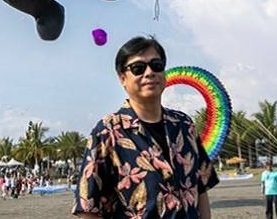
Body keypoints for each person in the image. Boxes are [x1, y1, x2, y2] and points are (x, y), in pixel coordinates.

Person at [72, 36, 218, 218]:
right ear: (122, 78)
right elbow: (88, 207)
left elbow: (201, 188)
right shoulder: (107, 132)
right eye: (138, 68)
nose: (149, 73)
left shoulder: (184, 126)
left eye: (156, 65)